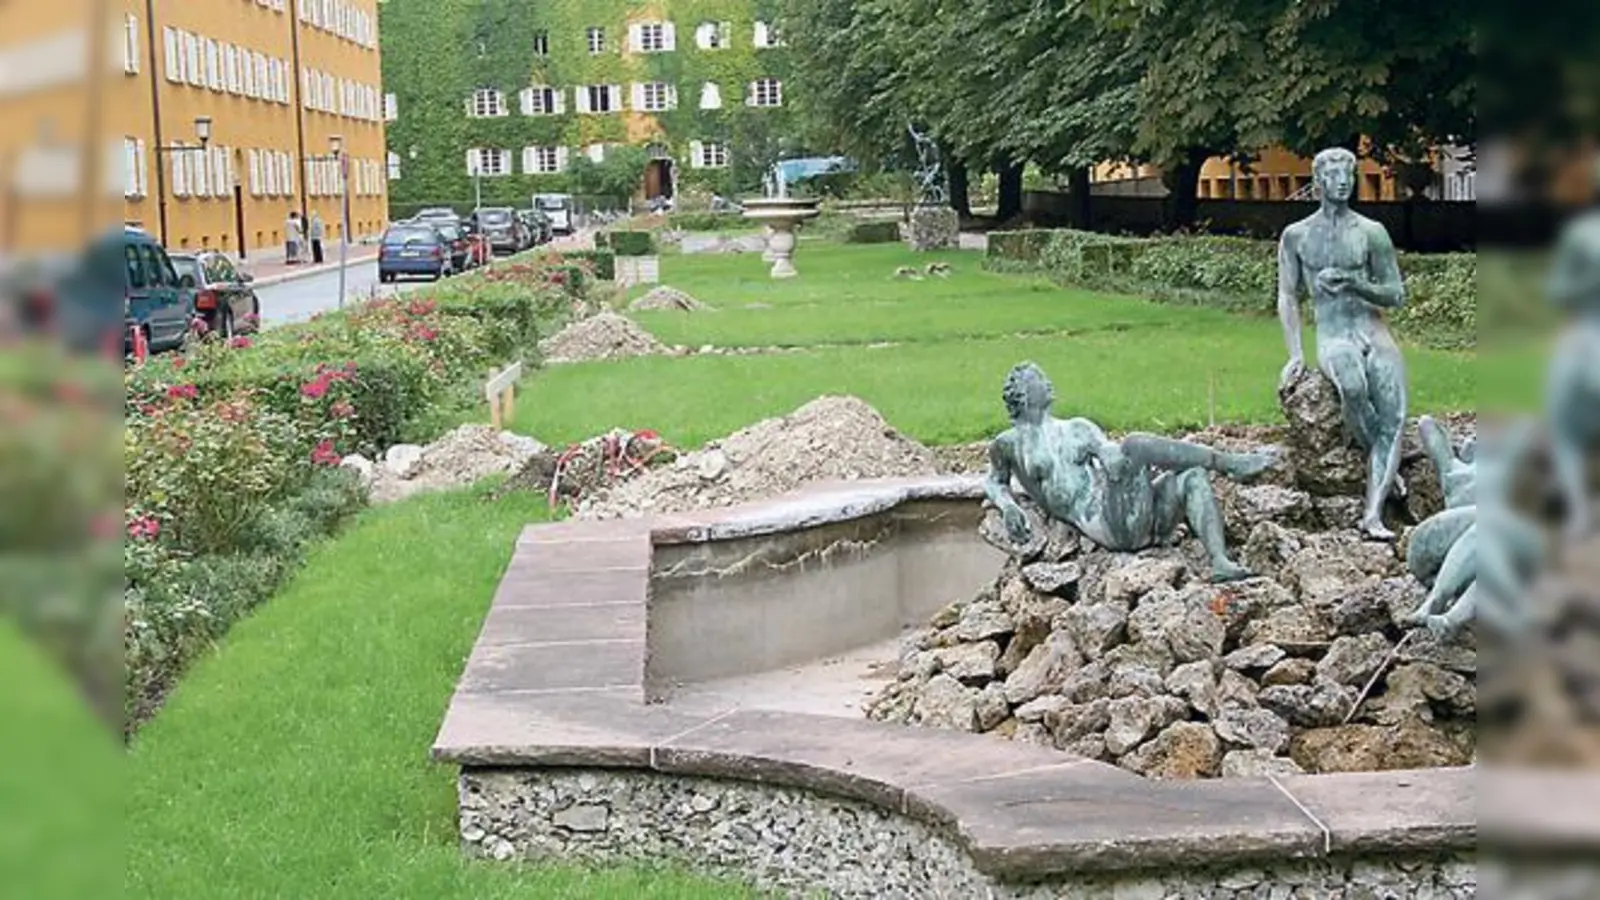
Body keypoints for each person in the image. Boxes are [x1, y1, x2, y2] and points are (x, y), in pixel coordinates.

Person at [984, 362, 1278, 583]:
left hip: (1134, 514)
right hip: (1106, 524)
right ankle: (1228, 463)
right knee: (1136, 443)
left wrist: (1110, 455)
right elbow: (994, 481)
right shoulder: (1009, 443)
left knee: (1193, 476)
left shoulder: (1078, 427)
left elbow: (1107, 450)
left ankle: (1220, 561)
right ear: (1023, 392)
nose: (1048, 382)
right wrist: (1007, 505)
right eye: (1039, 378)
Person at [1276, 146, 1409, 540]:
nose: (1342, 182)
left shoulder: (1371, 232)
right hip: (1334, 335)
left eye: (1348, 175)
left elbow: (1395, 294)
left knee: (1395, 415)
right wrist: (1295, 353)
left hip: (1373, 330)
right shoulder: (1296, 235)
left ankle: (1372, 514)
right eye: (1333, 175)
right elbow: (1287, 295)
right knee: (1352, 387)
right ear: (1317, 182)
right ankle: (1385, 462)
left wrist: (1354, 282)